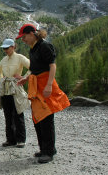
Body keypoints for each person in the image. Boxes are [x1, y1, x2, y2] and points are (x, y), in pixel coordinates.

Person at [16, 24, 70, 163]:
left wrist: (49, 85)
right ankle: (43, 149)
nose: (23, 40)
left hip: (45, 85)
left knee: (46, 119)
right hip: (36, 87)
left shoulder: (45, 46)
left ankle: (49, 152)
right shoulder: (33, 49)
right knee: (38, 118)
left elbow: (52, 66)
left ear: (32, 33)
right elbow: (34, 69)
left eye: (24, 37)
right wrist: (26, 79)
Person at [0, 38, 31, 148]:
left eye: (7, 48)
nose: (5, 50)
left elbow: (32, 67)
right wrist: (1, 79)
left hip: (16, 87)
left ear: (13, 47)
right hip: (6, 88)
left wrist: (24, 77)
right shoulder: (4, 59)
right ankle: (10, 140)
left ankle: (21, 140)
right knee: (7, 115)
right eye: (4, 48)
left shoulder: (20, 58)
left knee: (18, 113)